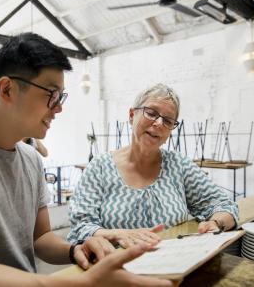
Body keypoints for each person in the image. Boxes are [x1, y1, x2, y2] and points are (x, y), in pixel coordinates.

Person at [0, 33, 172, 287]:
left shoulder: (30, 159)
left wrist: (76, 250)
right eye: (51, 94)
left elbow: (40, 238)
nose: (58, 107)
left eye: (60, 97)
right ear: (8, 89)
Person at [68, 83, 239, 248]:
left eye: (168, 121)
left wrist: (216, 222)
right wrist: (118, 234)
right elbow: (81, 227)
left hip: (173, 266)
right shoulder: (100, 167)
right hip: (115, 268)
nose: (158, 123)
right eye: (151, 113)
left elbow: (224, 204)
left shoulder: (178, 165)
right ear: (131, 115)